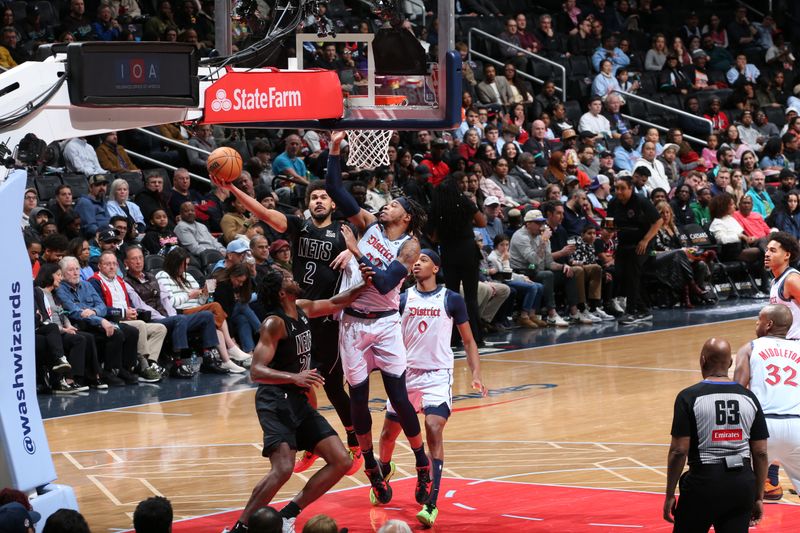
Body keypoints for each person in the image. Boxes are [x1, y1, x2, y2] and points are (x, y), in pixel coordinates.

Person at [324, 130, 432, 507]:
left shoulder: (410, 245)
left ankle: (420, 462)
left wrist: (355, 251)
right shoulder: (368, 223)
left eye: (394, 204)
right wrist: (335, 150)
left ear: (408, 216)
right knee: (358, 398)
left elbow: (387, 281)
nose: (385, 206)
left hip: (385, 323)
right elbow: (334, 188)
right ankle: (371, 464)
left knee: (399, 399)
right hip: (353, 322)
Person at [225, 269, 370, 533]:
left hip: (297, 400)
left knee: (341, 460)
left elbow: (338, 301)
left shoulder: (301, 308)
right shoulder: (274, 323)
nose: (295, 279)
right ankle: (239, 528)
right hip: (275, 399)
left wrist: (367, 283)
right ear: (282, 292)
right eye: (289, 279)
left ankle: (289, 514)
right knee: (283, 468)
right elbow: (256, 370)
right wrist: (295, 377)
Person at [376, 250, 487, 526]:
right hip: (405, 375)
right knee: (388, 436)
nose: (416, 263)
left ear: (436, 267)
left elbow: (469, 341)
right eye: (413, 260)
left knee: (434, 429)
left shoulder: (451, 299)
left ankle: (431, 503)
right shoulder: (401, 299)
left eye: (423, 259)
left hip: (437, 375)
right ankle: (385, 468)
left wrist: (476, 373)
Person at [664, 337, 768, 530]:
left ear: (702, 360)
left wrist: (670, 494)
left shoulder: (688, 397)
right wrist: (758, 496)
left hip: (704, 482)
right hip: (742, 483)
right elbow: (761, 452)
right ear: (729, 363)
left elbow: (679, 451)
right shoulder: (749, 397)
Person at [123, 245, 224, 378]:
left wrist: (172, 315)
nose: (138, 262)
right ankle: (178, 363)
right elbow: (140, 305)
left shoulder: (151, 277)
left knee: (206, 315)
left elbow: (166, 300)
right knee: (180, 319)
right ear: (126, 263)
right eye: (134, 259)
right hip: (152, 319)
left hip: (169, 317)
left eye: (140, 258)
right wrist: (163, 318)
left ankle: (208, 357)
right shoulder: (126, 282)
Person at [735, 304, 800, 504]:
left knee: (743, 493)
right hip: (797, 425)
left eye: (759, 319)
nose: (756, 322)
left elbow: (736, 392)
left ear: (769, 324)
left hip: (763, 428)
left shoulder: (750, 348)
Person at [56, 256, 140, 387]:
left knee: (132, 331)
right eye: (70, 270)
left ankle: (124, 368)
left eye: (77, 269)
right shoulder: (60, 289)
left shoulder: (86, 285)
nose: (75, 273)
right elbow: (75, 312)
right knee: (115, 333)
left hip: (96, 321)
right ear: (61, 273)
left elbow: (102, 306)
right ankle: (108, 372)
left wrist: (94, 313)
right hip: (80, 325)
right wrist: (101, 321)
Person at [89, 251, 167, 383]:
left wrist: (132, 311)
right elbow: (100, 309)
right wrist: (123, 313)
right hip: (111, 321)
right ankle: (142, 366)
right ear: (100, 266)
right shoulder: (95, 282)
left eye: (114, 264)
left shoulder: (120, 280)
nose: (112, 267)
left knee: (160, 328)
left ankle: (151, 362)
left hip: (128, 319)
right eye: (108, 264)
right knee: (140, 325)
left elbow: (128, 303)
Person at [606, 175, 662, 324]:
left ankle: (631, 312)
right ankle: (643, 309)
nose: (619, 191)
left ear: (631, 189)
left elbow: (658, 221)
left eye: (622, 188)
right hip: (624, 243)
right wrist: (607, 232)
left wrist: (645, 240)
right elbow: (609, 223)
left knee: (632, 274)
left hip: (643, 243)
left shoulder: (641, 201)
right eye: (616, 188)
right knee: (619, 274)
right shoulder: (613, 203)